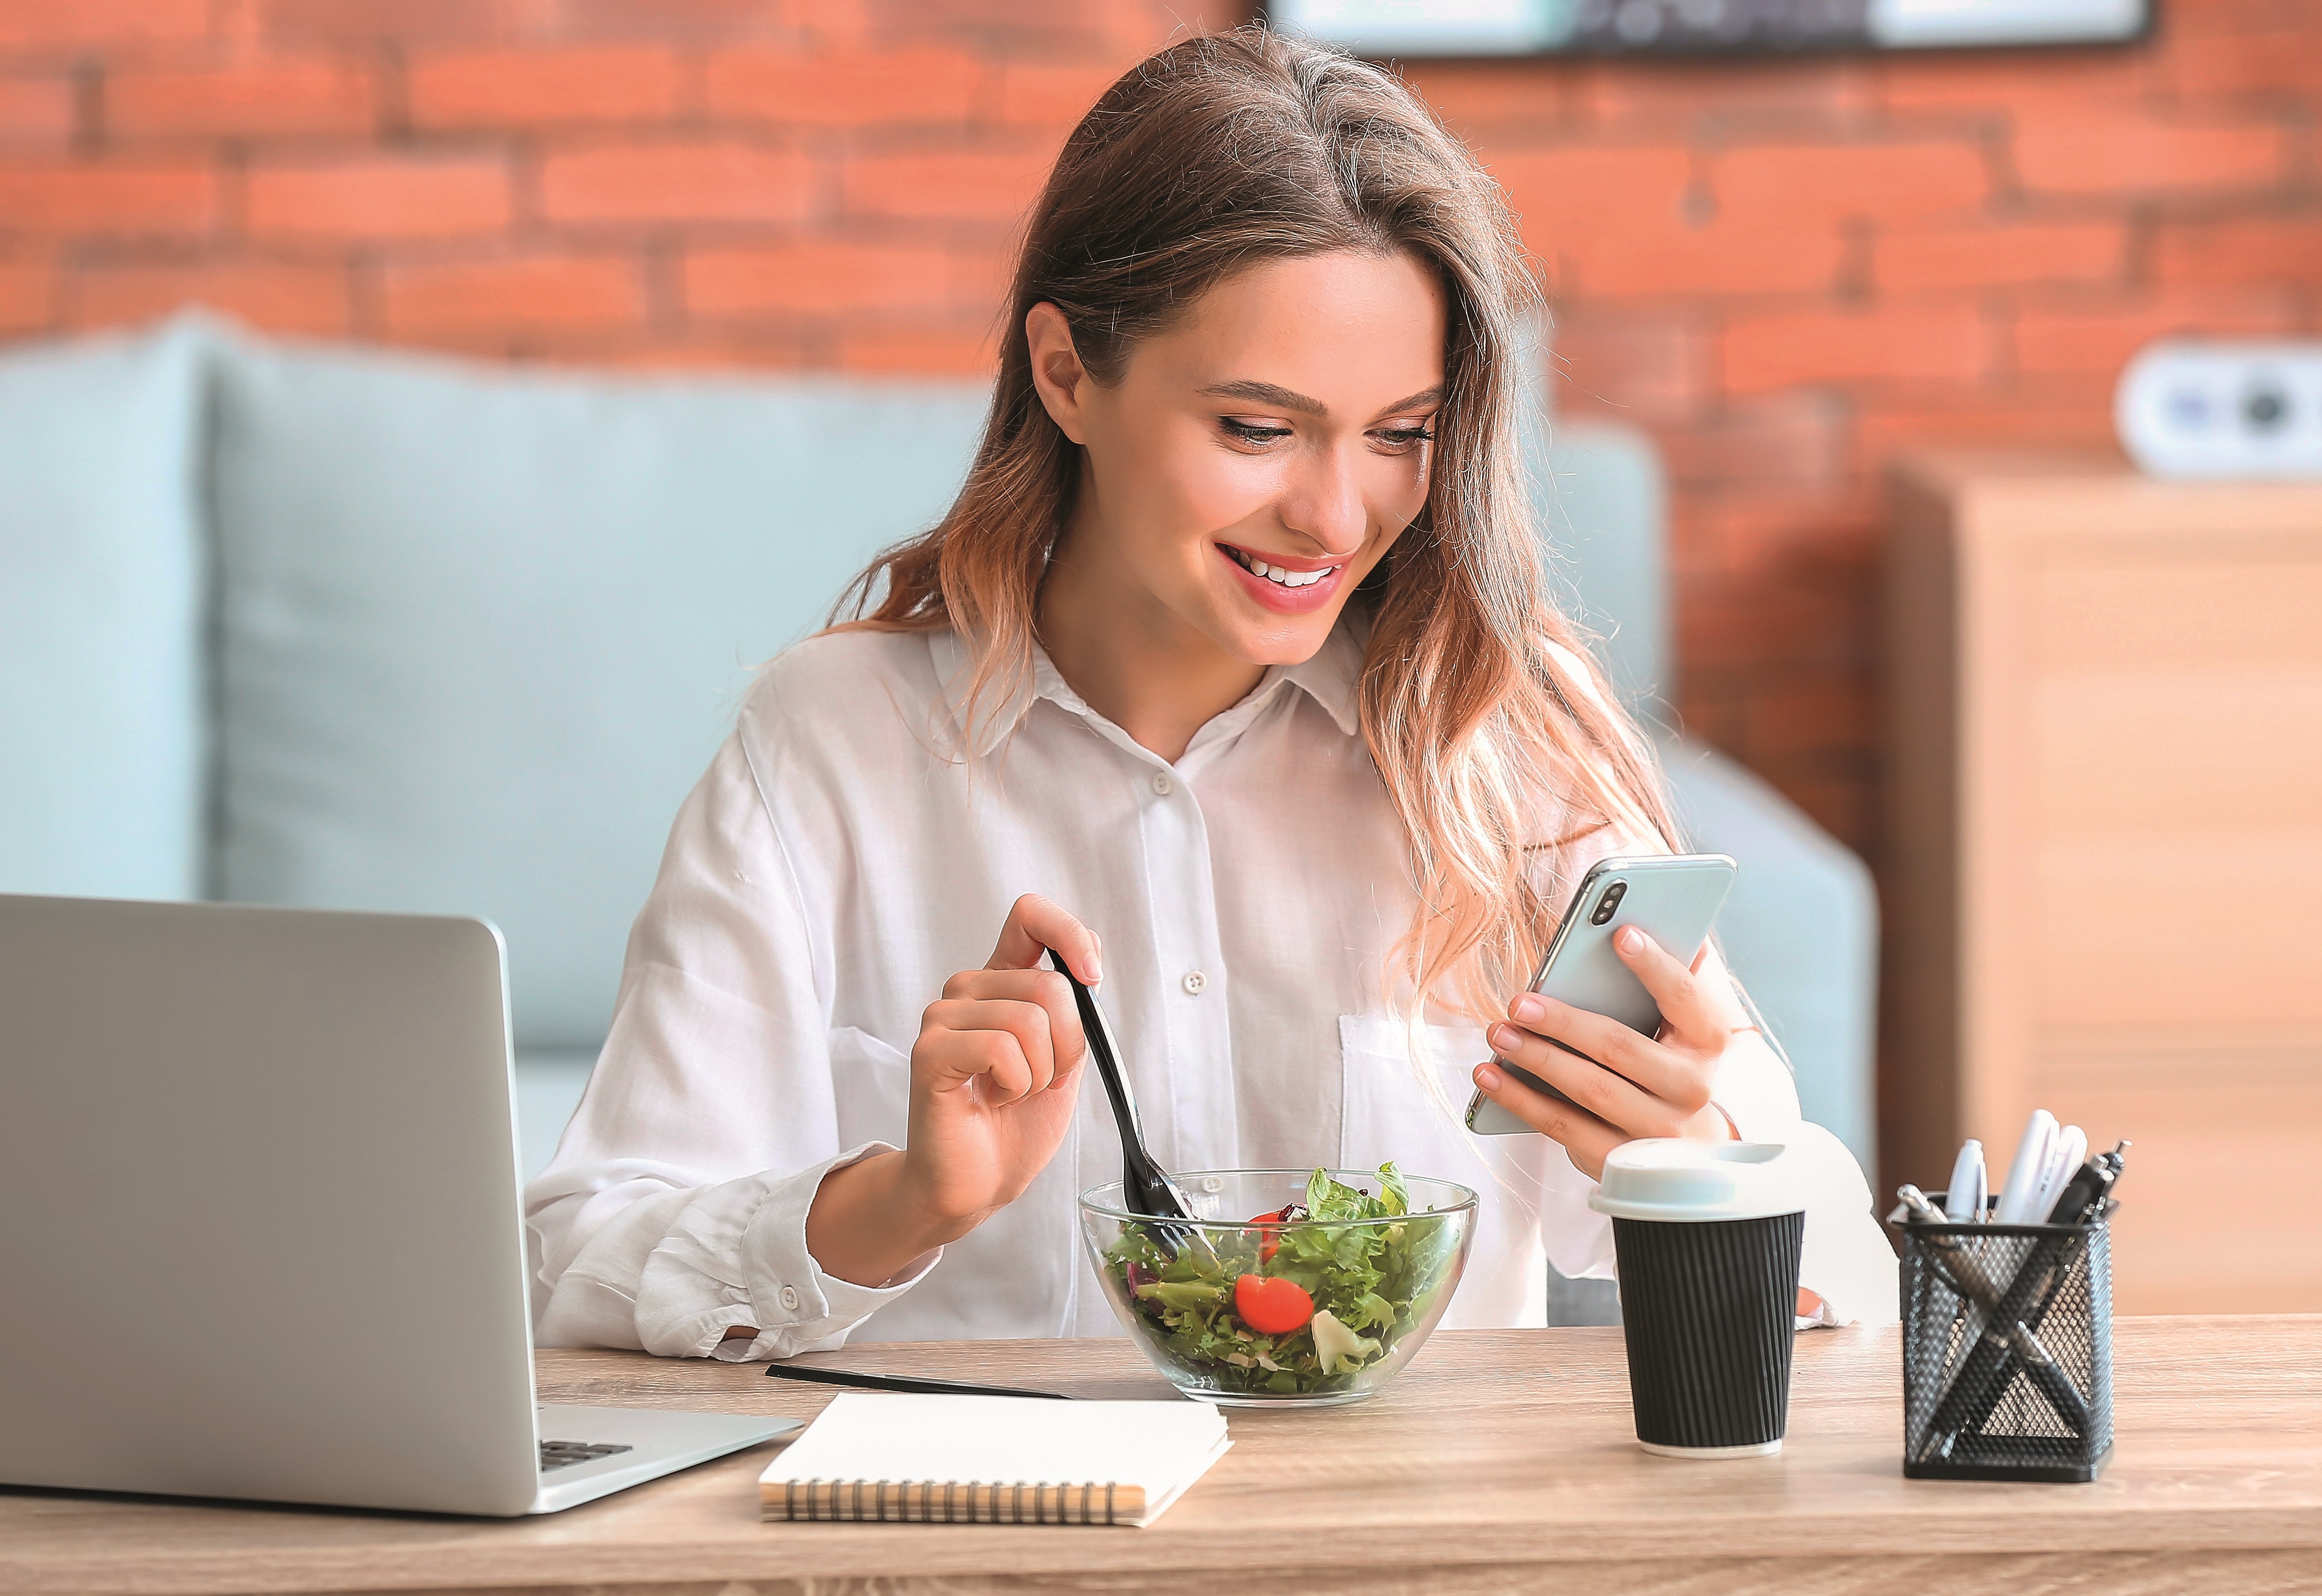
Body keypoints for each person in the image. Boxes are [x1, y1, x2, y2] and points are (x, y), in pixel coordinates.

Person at [526, 26, 1894, 1360]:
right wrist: (901, 1204)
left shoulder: (1504, 742)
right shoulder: (829, 744)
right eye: (1255, 427)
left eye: (1400, 436)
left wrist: (1712, 1166)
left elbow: (1839, 1293)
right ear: (1065, 374)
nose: (1332, 512)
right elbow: (576, 1261)